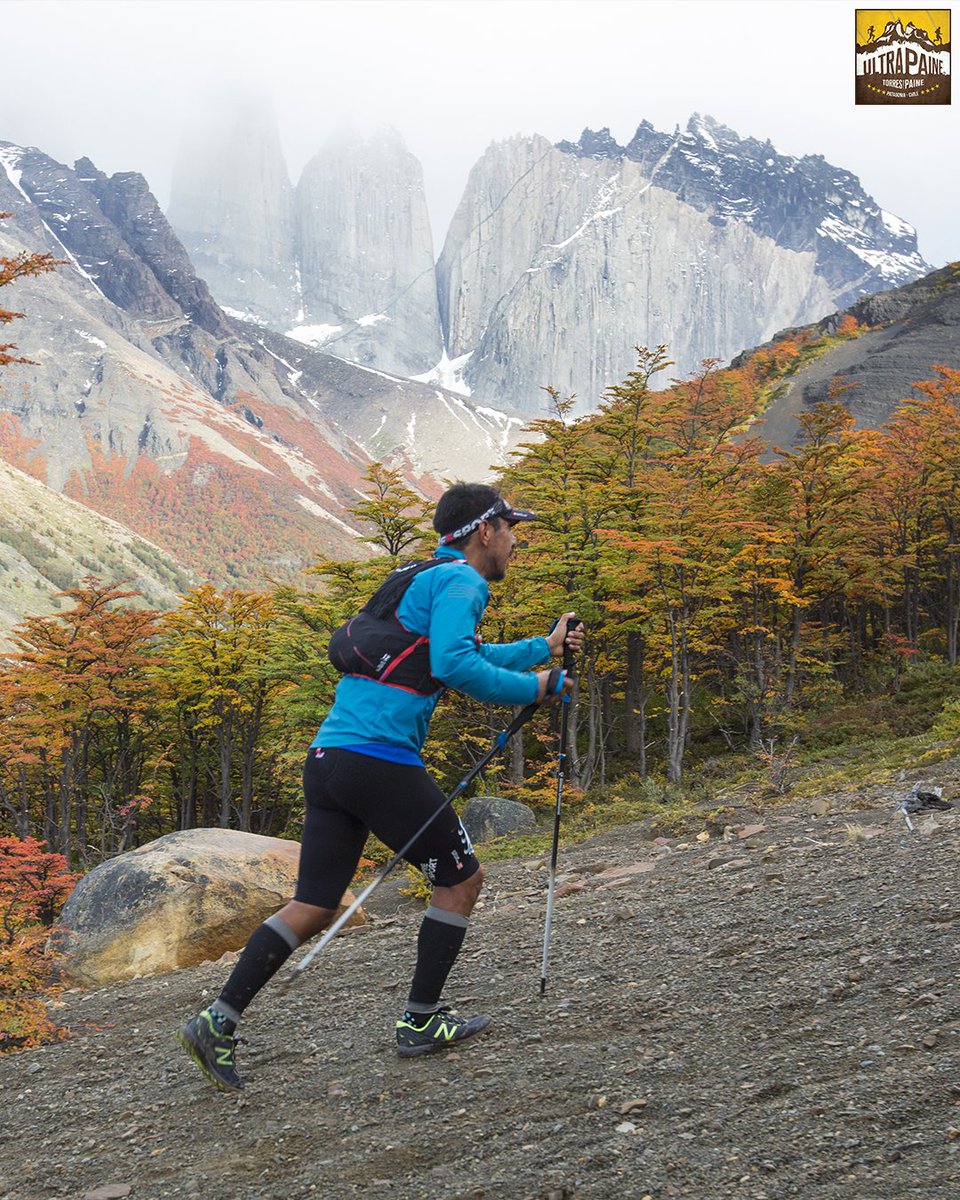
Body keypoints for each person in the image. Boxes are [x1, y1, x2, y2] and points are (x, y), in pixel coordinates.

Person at [176, 481, 585, 1091]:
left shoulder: (418, 576)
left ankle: (218, 1021)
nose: (514, 542)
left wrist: (540, 649)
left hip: (331, 757)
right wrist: (541, 687)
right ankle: (419, 1022)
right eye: (510, 530)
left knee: (314, 902)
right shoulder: (464, 583)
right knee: (461, 880)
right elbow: (452, 666)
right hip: (379, 762)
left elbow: (453, 651)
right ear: (484, 532)